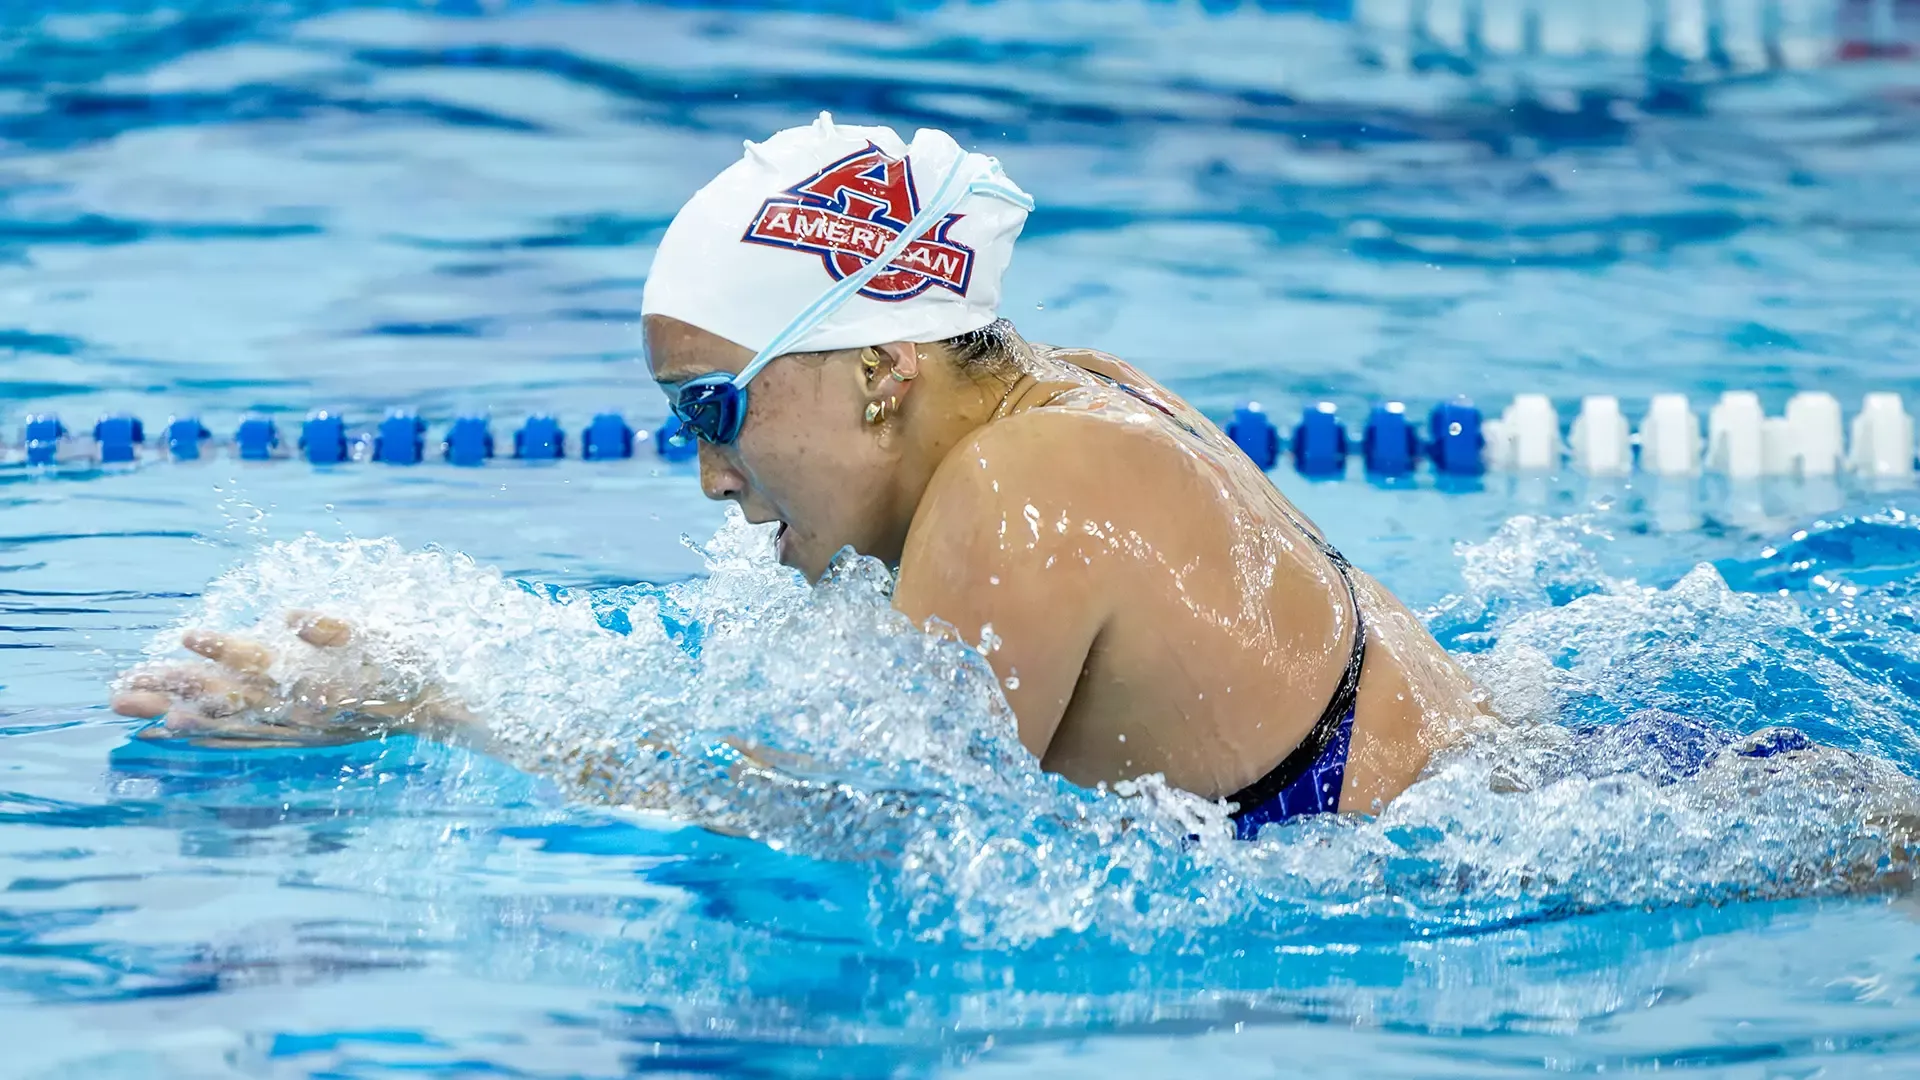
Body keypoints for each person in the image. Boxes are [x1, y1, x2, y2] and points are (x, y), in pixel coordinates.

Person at [113, 114, 1486, 839]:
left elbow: (848, 825)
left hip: (1494, 865)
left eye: (717, 410)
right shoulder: (1087, 394)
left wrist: (436, 707)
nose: (713, 475)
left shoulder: (1019, 496)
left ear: (876, 371)